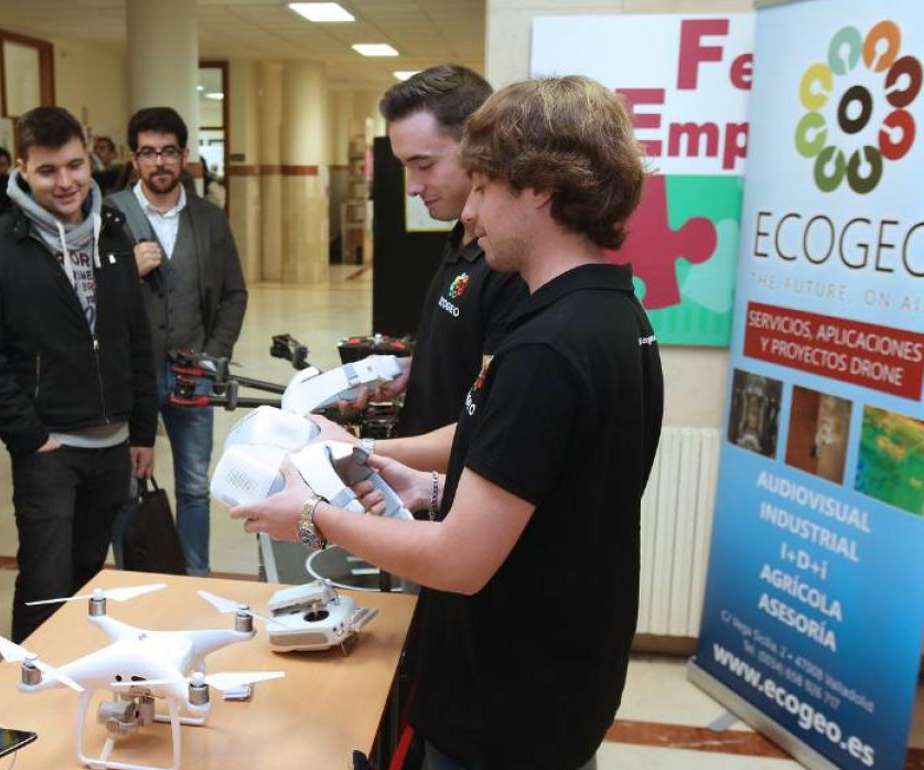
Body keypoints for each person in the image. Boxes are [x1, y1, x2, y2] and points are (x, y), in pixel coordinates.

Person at [232, 76, 664, 770]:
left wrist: (313, 516)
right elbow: (552, 481)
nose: (473, 204)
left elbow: (461, 562)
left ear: (540, 189)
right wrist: (433, 486)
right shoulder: (613, 315)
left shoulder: (547, 348)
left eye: (487, 184)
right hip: (563, 677)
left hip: (506, 702)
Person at [0, 106, 156, 642]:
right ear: (21, 168)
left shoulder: (112, 235)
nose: (65, 182)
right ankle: (27, 709)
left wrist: (142, 429)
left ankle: (81, 696)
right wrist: (32, 438)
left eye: (75, 165)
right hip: (50, 450)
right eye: (48, 170)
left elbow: (135, 337)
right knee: (45, 585)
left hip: (114, 446)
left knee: (88, 580)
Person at [348, 65, 527, 442]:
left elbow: (493, 429)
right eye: (405, 167)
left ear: (479, 147)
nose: (412, 187)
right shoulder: (460, 236)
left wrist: (359, 450)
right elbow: (464, 356)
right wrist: (416, 368)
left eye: (424, 164)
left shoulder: (509, 264)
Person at [107, 106, 247, 577]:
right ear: (134, 159)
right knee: (128, 486)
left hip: (192, 371)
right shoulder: (109, 216)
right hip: (131, 375)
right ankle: (137, 577)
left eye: (169, 152)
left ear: (185, 156)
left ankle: (195, 577)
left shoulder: (209, 219)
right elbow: (85, 296)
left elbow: (234, 293)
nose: (160, 163)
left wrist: (214, 356)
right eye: (148, 153)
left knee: (193, 485)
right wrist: (127, 268)